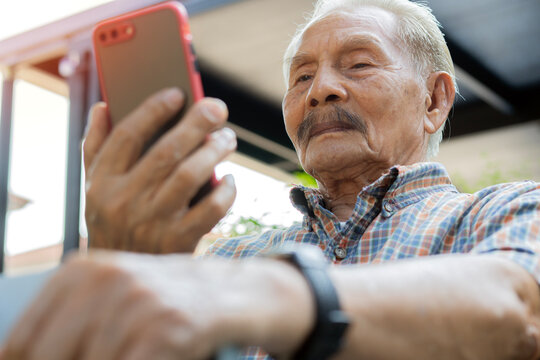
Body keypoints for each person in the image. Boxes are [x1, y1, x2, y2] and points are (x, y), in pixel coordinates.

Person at [2, 0, 540, 359]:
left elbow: (519, 304)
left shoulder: (503, 212)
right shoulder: (226, 263)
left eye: (357, 65)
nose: (320, 90)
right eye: (302, 76)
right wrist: (123, 266)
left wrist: (274, 293)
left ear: (435, 100)